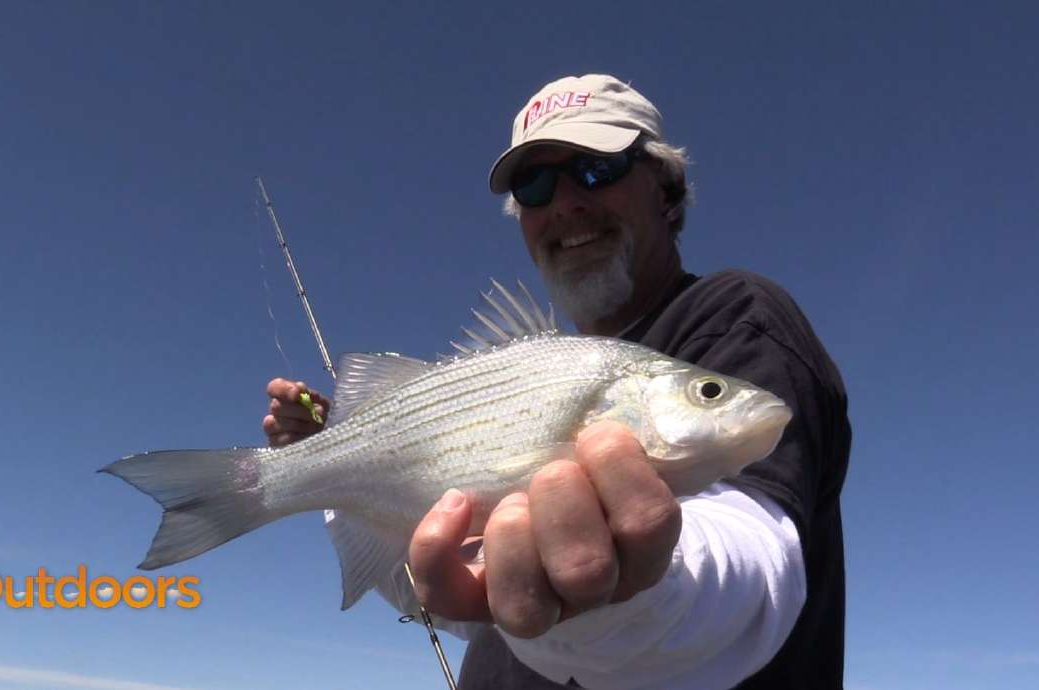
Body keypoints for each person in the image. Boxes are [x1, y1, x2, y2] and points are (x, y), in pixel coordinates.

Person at [262, 74, 850, 689]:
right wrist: (332, 467)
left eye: (598, 167)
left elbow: (754, 561)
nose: (566, 201)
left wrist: (628, 604)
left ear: (667, 190)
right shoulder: (553, 361)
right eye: (534, 184)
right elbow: (458, 606)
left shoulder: (733, 313)